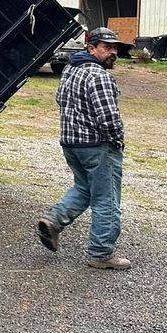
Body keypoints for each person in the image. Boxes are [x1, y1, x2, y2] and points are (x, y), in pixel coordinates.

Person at [37, 26, 131, 270]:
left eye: (115, 48)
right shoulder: (99, 76)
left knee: (85, 188)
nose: (112, 53)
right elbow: (109, 118)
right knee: (106, 201)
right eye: (106, 48)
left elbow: (60, 100)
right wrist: (117, 141)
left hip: (71, 144)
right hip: (97, 147)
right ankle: (101, 254)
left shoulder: (70, 70)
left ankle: (53, 221)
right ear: (91, 48)